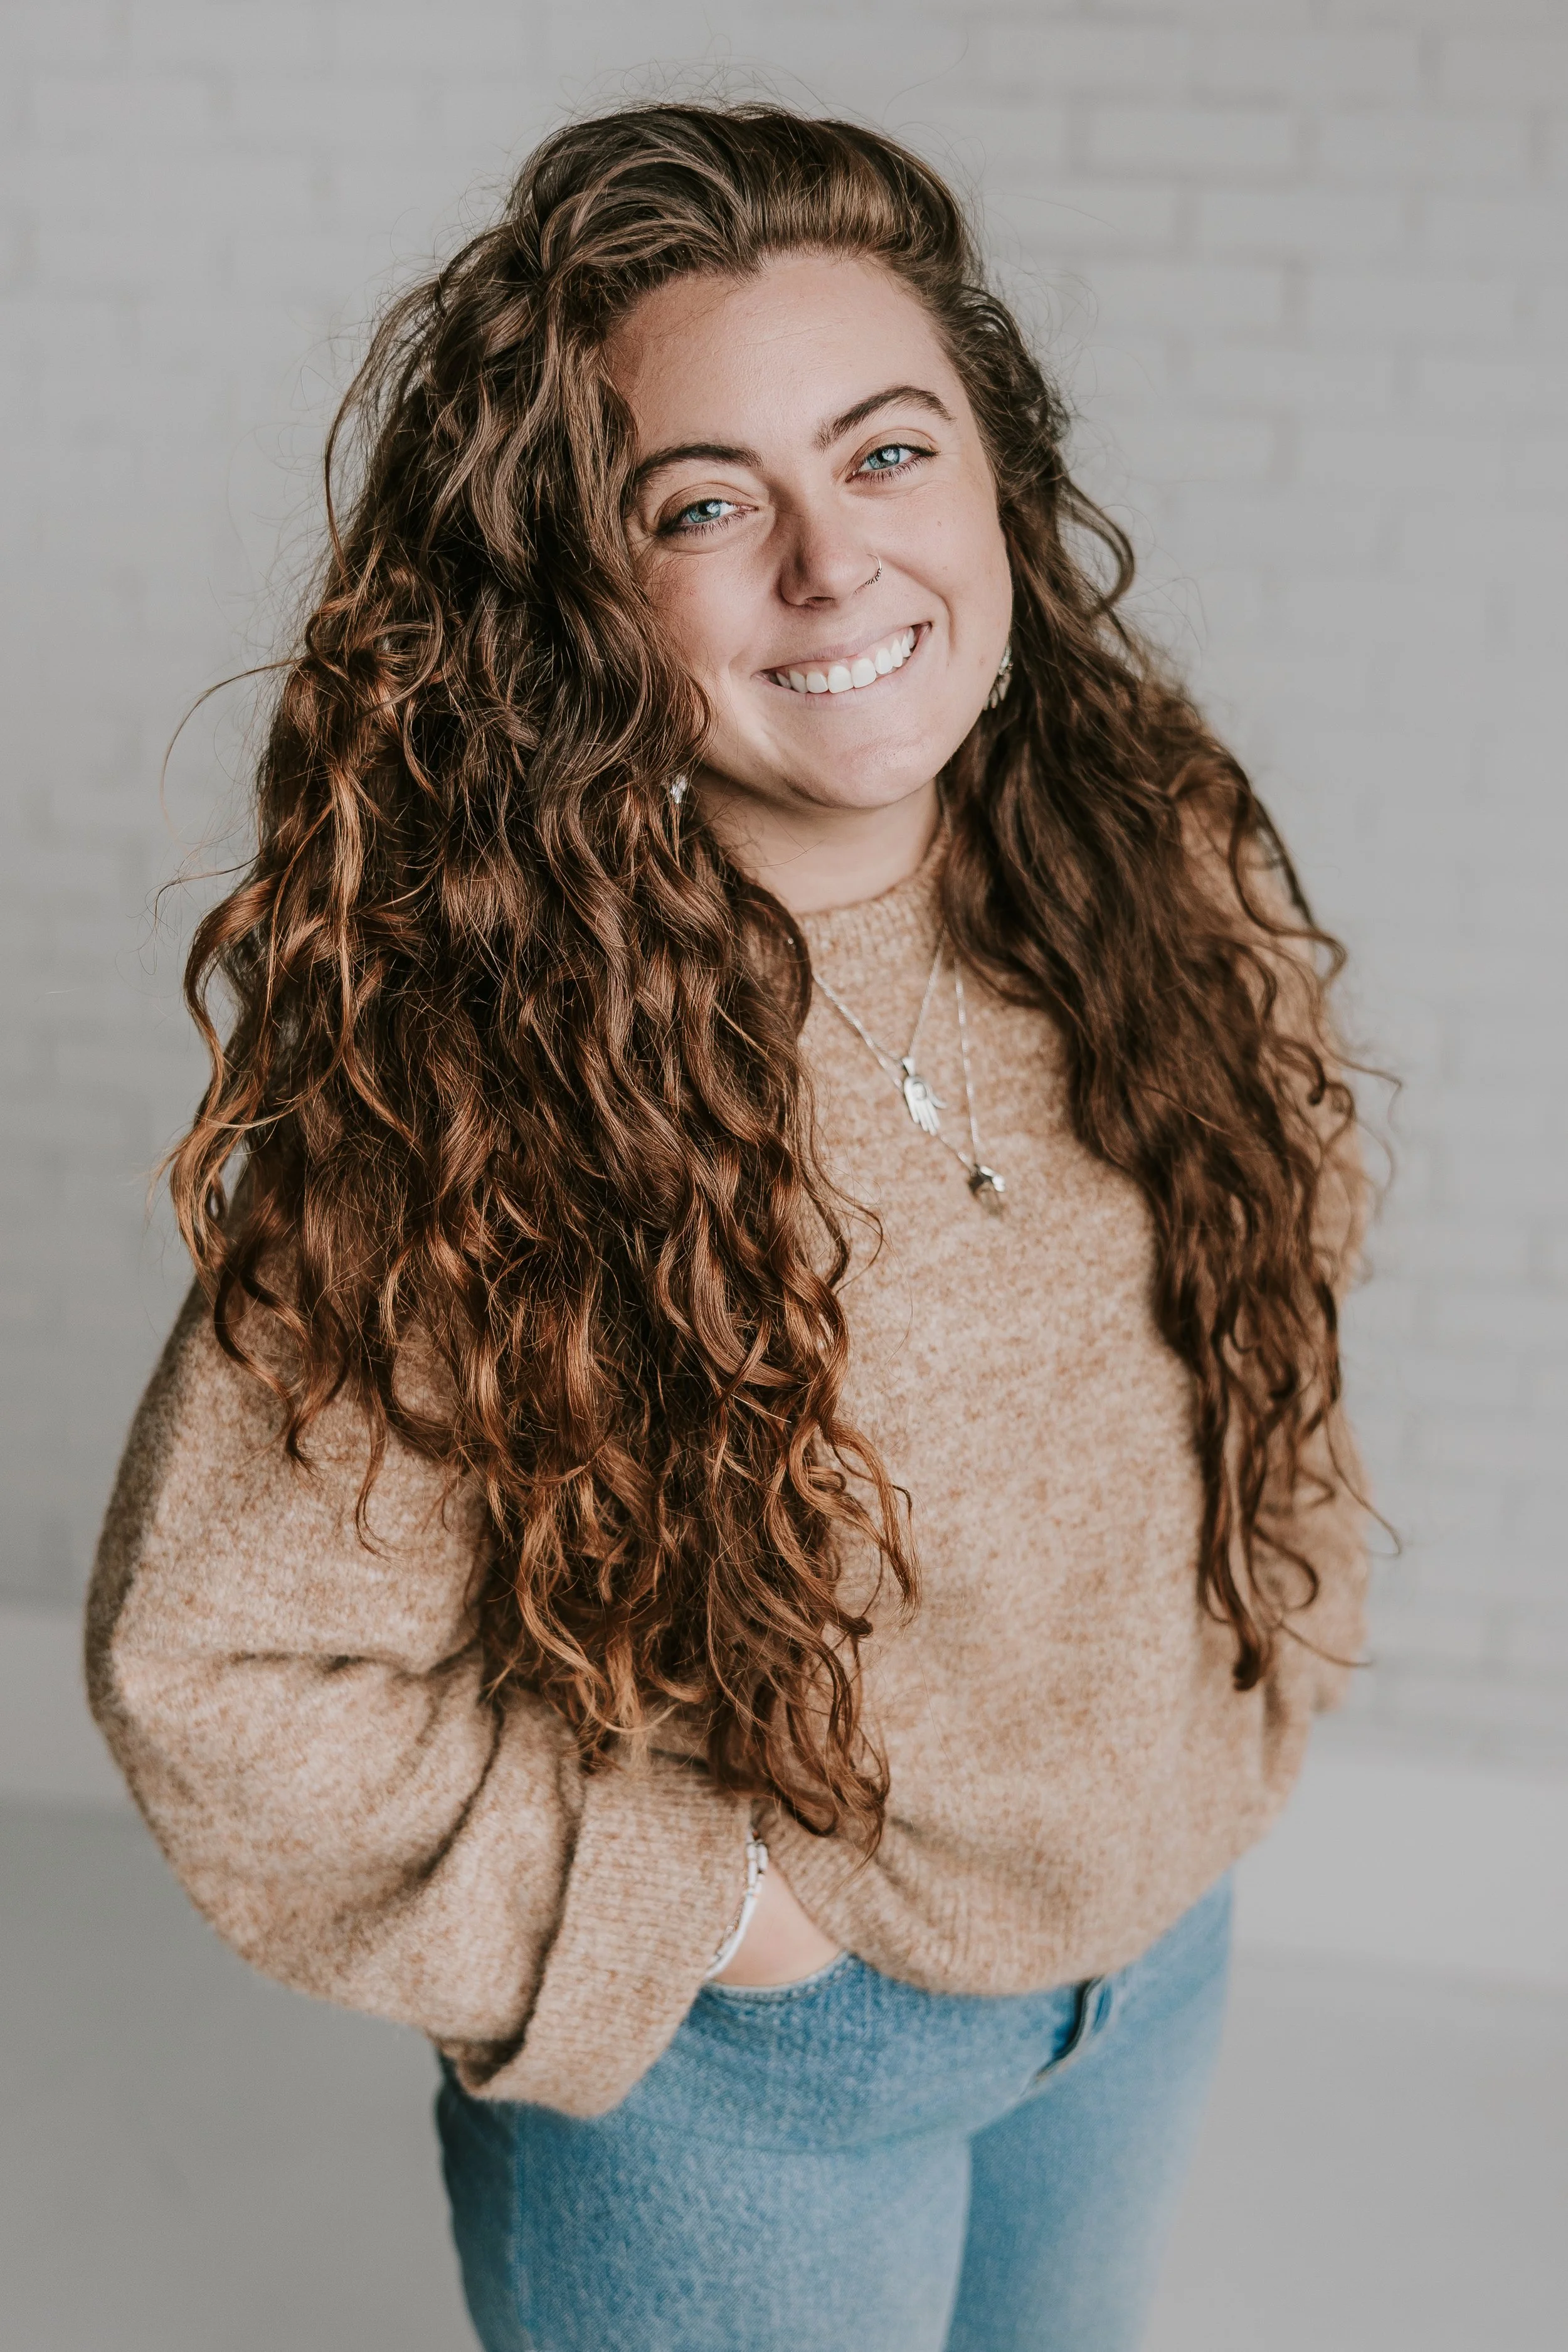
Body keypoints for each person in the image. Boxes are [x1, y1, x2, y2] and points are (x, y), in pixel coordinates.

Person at [87, 102, 1371, 2352]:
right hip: (760, 2081)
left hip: (1155, 1954)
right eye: (703, 502)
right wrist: (695, 1918)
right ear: (584, 589)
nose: (830, 564)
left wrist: (1265, 1641)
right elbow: (218, 1665)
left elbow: (1282, 1271)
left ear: (997, 472)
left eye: (885, 453)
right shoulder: (469, 1095)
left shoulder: (1150, 863)